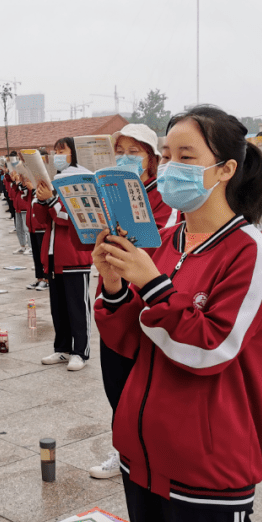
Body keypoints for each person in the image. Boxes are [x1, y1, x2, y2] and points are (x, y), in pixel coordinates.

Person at [94, 105, 262, 522]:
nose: (170, 168)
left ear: (225, 169)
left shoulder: (249, 251)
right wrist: (113, 289)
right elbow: (130, 341)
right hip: (144, 456)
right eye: (169, 157)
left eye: (186, 157)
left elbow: (212, 350)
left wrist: (152, 288)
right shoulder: (165, 238)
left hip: (207, 467)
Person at [91, 123, 174, 479]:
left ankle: (148, 449)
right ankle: (121, 448)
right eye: (120, 152)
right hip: (112, 297)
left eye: (134, 152)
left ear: (152, 160)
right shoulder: (107, 196)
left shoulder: (165, 198)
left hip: (145, 301)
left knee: (142, 384)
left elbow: (157, 243)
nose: (125, 159)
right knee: (114, 380)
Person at [33, 137, 93, 372]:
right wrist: (40, 199)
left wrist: (51, 199)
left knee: (77, 306)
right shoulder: (55, 179)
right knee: (58, 307)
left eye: (62, 150)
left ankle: (81, 351)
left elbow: (73, 217)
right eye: (54, 150)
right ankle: (63, 348)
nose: (57, 154)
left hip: (74, 254)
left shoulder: (82, 178)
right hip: (53, 253)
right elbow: (44, 219)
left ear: (74, 153)